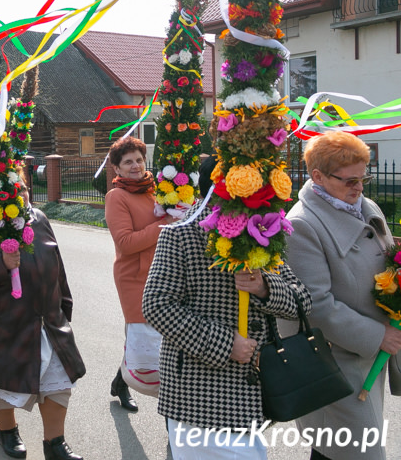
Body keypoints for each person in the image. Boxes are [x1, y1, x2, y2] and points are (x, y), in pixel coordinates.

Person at [142, 155, 312, 459]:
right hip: (198, 397)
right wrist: (224, 344)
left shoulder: (263, 235)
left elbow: (302, 301)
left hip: (253, 397)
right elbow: (156, 305)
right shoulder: (180, 235)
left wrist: (264, 288)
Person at [280, 132, 400, 460]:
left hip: (366, 358)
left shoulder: (364, 205)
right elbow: (315, 305)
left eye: (363, 178)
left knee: (339, 450)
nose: (359, 188)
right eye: (349, 181)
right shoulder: (301, 226)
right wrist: (379, 335)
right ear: (317, 176)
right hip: (333, 362)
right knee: (354, 451)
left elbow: (389, 260)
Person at [0, 180, 85, 460]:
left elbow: (57, 264)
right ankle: (8, 431)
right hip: (5, 326)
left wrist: (64, 304)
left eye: (23, 187)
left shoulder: (39, 218)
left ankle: (55, 442)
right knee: (3, 384)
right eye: (13, 190)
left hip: (48, 320)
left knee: (58, 382)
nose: (21, 194)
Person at [104, 137, 171, 412]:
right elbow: (126, 243)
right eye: (128, 162)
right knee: (149, 340)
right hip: (135, 277)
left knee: (156, 339)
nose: (135, 166)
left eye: (139, 160)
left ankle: (121, 381)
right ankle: (170, 411)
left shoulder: (157, 190)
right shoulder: (116, 196)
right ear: (117, 169)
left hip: (165, 272)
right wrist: (166, 224)